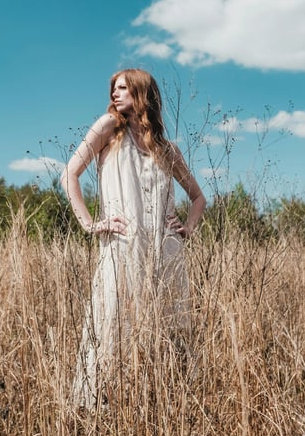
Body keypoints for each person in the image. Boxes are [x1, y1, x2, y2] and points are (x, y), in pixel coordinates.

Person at [61, 68, 206, 407]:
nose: (115, 93)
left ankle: (159, 403)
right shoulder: (109, 128)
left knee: (167, 331)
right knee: (112, 323)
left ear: (142, 92)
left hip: (164, 252)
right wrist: (90, 223)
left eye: (123, 88)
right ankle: (105, 410)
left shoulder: (167, 149)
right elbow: (69, 174)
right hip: (122, 249)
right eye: (113, 87)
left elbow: (199, 198)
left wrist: (188, 228)